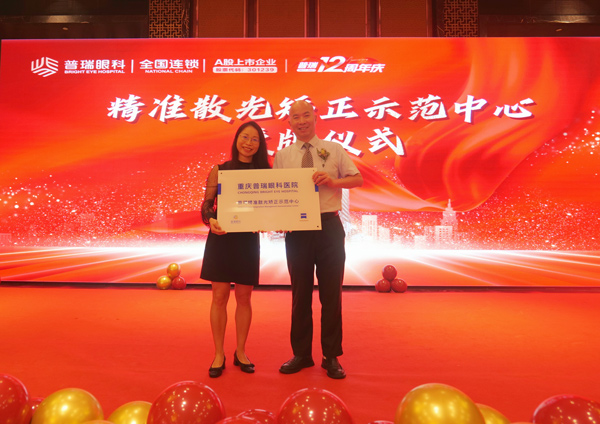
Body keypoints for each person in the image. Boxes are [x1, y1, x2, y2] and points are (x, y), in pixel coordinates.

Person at [273, 100, 363, 379]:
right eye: (295, 117)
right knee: (300, 294)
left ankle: (331, 356)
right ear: (289, 122)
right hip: (297, 231)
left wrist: (334, 182)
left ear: (315, 118)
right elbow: (276, 193)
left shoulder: (334, 149)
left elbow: (357, 179)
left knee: (331, 294)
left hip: (329, 227)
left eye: (306, 116)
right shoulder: (283, 156)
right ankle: (301, 354)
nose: (301, 121)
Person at [200, 121, 271, 378]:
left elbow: (271, 208)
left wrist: (267, 221)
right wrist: (211, 220)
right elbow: (207, 205)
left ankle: (241, 351)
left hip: (247, 241)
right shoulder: (220, 170)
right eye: (245, 137)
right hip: (221, 238)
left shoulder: (266, 173)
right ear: (236, 139)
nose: (248, 143)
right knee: (219, 298)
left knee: (244, 298)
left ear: (260, 145)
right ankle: (218, 353)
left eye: (255, 139)